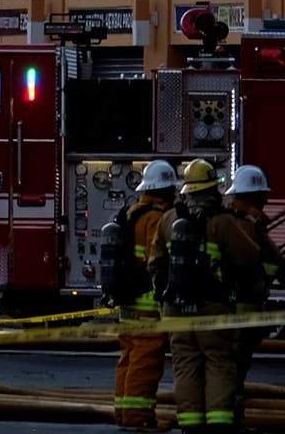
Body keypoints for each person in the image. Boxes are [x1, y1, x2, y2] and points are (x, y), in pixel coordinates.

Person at [149, 159, 261, 433]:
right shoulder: (222, 222)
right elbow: (249, 258)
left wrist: (166, 301)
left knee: (186, 366)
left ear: (186, 191)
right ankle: (218, 425)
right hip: (213, 308)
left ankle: (191, 425)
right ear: (212, 190)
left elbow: (154, 264)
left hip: (176, 309)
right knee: (219, 364)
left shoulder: (168, 219)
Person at [111, 159, 177, 430]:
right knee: (146, 359)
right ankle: (139, 418)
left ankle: (124, 414)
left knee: (128, 355)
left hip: (127, 301)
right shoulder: (156, 218)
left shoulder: (131, 212)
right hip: (147, 303)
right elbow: (156, 259)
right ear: (166, 189)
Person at [223, 164, 280, 425]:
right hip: (243, 312)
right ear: (256, 196)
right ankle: (231, 419)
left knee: (224, 368)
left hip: (223, 309)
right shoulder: (251, 227)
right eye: (262, 195)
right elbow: (274, 263)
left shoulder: (224, 222)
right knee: (233, 370)